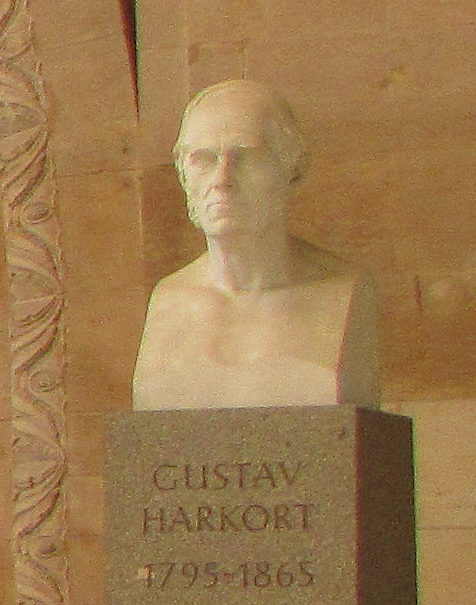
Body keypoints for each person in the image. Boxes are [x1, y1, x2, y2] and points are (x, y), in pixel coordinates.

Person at [130, 79, 380, 409]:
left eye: (247, 157)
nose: (222, 180)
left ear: (294, 169)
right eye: (203, 159)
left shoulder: (343, 292)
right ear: (182, 173)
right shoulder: (168, 300)